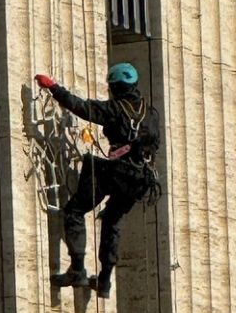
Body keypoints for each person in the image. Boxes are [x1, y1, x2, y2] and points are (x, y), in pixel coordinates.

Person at [34, 63, 160, 298]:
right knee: (112, 221)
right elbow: (155, 145)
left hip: (117, 172)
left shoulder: (115, 109)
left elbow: (81, 108)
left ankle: (78, 270)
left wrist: (53, 87)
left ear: (114, 87)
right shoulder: (151, 114)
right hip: (140, 179)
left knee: (74, 210)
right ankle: (104, 282)